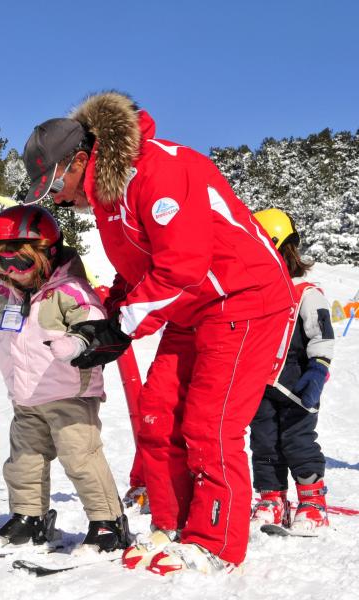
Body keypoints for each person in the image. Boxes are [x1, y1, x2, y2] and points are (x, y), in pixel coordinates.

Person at [21, 91, 296, 574]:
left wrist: (120, 328)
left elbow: (183, 265)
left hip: (245, 299)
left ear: (80, 160)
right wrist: (103, 316)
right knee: (157, 416)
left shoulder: (161, 171)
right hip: (192, 309)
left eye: (55, 185)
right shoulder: (108, 199)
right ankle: (172, 525)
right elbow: (138, 269)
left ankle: (215, 544)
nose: (58, 199)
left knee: (210, 424)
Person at [0, 204, 131, 554]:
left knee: (81, 458)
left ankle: (107, 523)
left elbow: (95, 323)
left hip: (70, 394)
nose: (13, 271)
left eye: (21, 262)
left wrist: (76, 343)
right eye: (2, 262)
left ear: (46, 255)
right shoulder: (4, 296)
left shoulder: (70, 291)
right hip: (25, 398)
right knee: (23, 461)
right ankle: (29, 518)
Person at [249, 208, 333, 536]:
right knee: (264, 444)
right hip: (260, 383)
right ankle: (273, 501)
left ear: (284, 249)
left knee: (298, 441)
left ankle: (313, 504)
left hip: (298, 383)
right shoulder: (254, 292)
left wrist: (318, 370)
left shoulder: (305, 291)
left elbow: (322, 334)